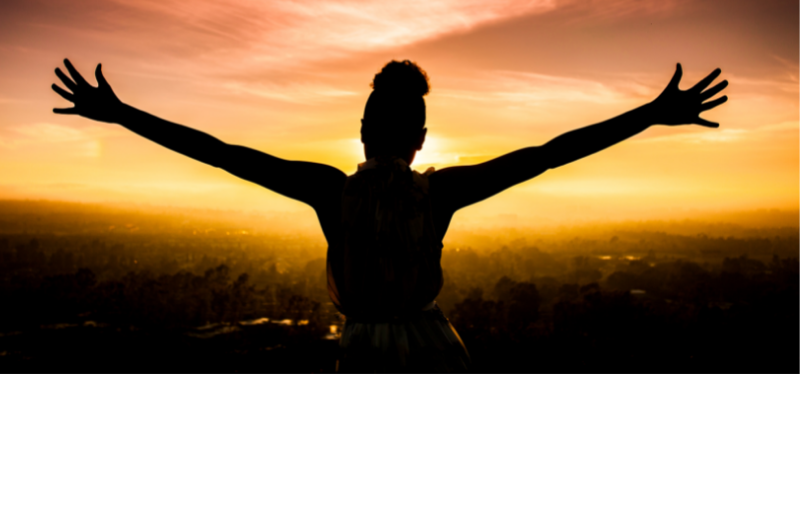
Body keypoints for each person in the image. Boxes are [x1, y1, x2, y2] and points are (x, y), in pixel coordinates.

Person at [51, 57, 728, 372]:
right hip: (422, 346)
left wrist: (123, 115)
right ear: (417, 139)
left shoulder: (335, 190)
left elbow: (222, 153)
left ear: (366, 129)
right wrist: (649, 115)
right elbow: (548, 154)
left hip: (400, 348)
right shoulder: (429, 194)